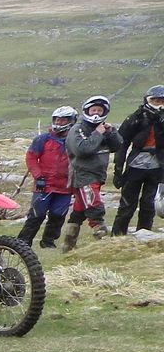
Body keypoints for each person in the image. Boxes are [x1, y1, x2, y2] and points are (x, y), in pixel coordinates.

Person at [62, 95, 122, 252]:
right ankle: (103, 238)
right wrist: (98, 133)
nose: (96, 113)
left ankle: (68, 246)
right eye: (93, 110)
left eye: (99, 110)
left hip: (97, 174)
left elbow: (117, 146)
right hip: (82, 175)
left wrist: (110, 132)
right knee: (93, 205)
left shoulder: (103, 128)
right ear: (86, 111)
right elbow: (83, 149)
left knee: (79, 210)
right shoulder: (77, 129)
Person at [18, 106, 76, 248]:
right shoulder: (42, 139)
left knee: (58, 215)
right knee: (37, 214)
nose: (59, 122)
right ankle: (23, 242)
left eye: (62, 120)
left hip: (65, 187)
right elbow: (31, 158)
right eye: (57, 119)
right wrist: (38, 176)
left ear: (71, 121)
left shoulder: (75, 141)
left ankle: (48, 242)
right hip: (44, 185)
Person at [111, 84, 164, 235]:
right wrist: (118, 170)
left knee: (149, 204)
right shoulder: (136, 118)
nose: (159, 105)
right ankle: (117, 236)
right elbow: (121, 144)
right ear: (147, 101)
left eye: (162, 101)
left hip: (158, 166)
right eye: (156, 101)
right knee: (127, 204)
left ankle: (145, 235)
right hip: (135, 165)